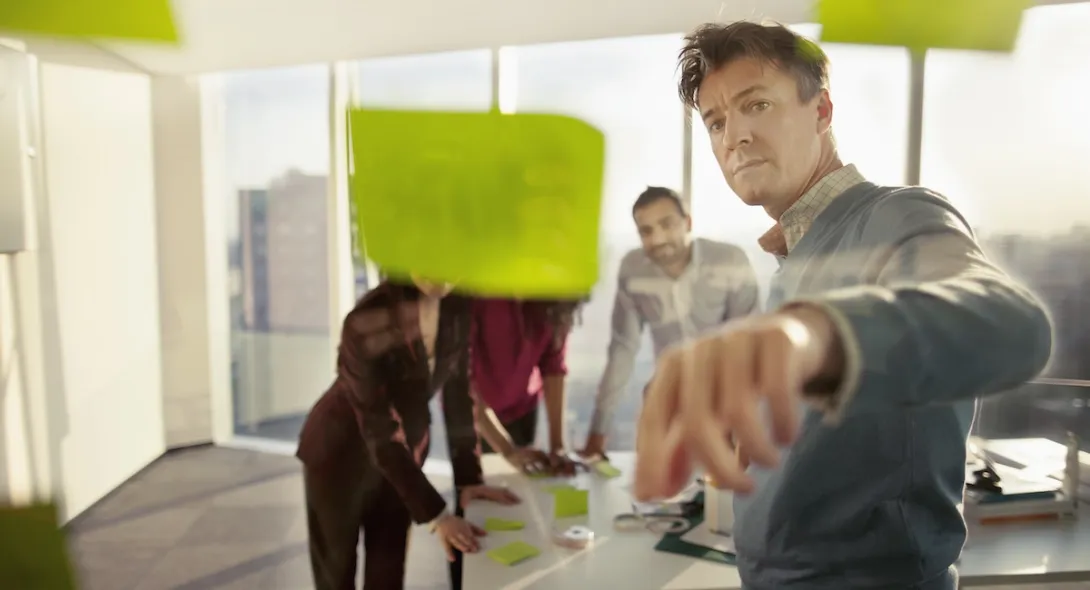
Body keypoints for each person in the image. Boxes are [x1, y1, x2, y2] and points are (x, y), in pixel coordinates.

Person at [633, 22, 1053, 590]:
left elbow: (1008, 325)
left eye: (756, 104)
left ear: (821, 110)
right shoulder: (796, 254)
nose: (734, 136)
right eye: (716, 121)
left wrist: (813, 338)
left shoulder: (900, 216)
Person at [296, 274, 519, 590]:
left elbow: (459, 391)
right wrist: (438, 516)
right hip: (338, 458)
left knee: (387, 578)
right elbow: (379, 429)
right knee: (336, 577)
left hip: (401, 460)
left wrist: (469, 478)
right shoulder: (366, 319)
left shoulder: (458, 304)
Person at [581, 186, 760, 457]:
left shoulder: (729, 260)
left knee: (724, 491)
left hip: (725, 397)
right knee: (655, 492)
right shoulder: (633, 269)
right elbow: (623, 349)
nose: (658, 238)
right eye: (646, 231)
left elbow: (747, 342)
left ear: (687, 223)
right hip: (665, 400)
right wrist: (599, 430)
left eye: (667, 224)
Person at [469, 298, 582, 476]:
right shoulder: (481, 294)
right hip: (473, 415)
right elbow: (461, 382)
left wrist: (557, 446)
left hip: (523, 407)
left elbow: (553, 365)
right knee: (484, 484)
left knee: (525, 483)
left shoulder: (556, 300)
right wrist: (507, 449)